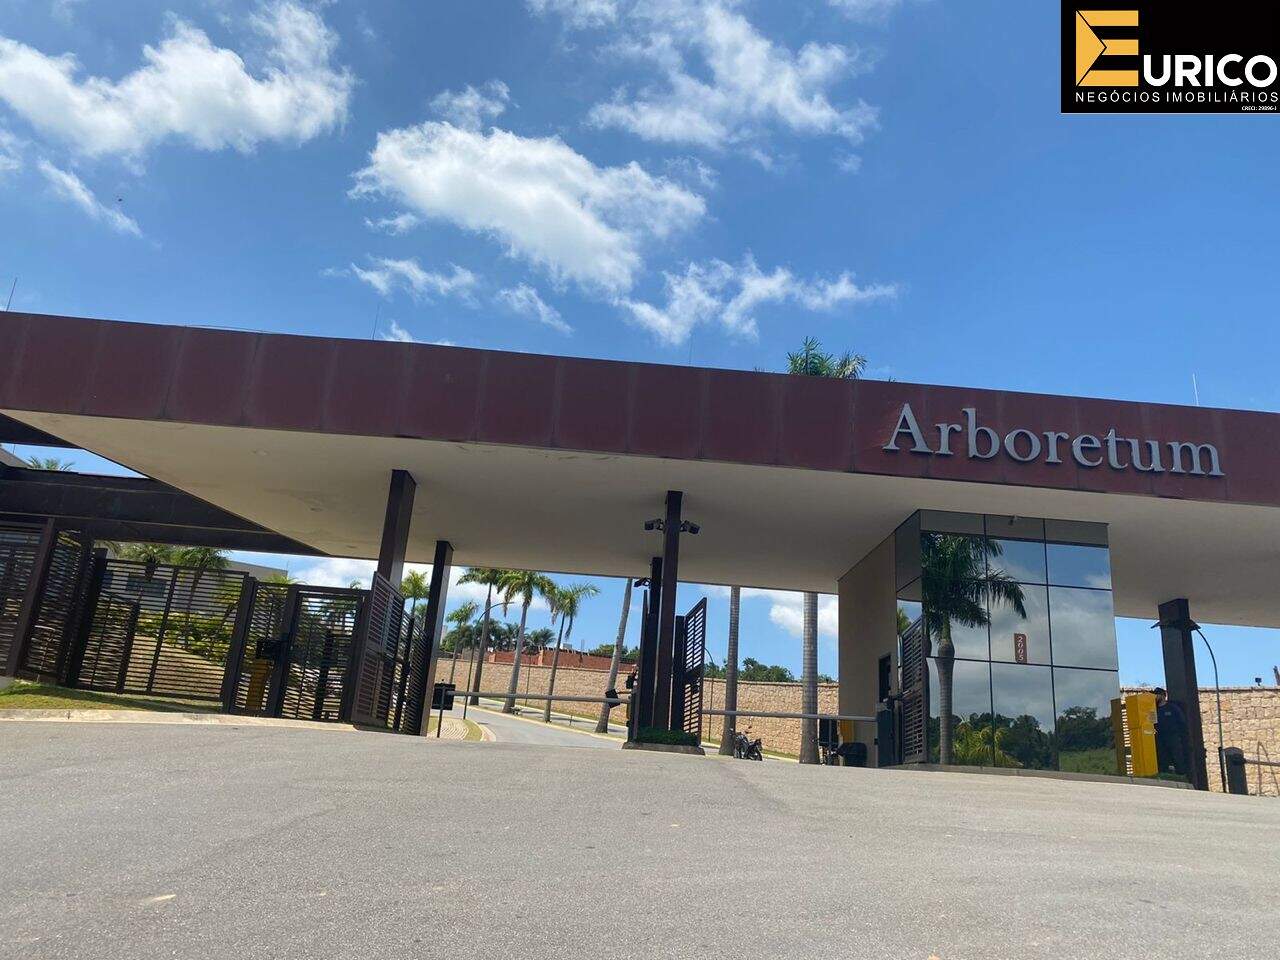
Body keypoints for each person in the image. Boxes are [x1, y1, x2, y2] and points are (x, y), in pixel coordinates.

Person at [1153, 687, 1189, 778]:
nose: (1155, 697)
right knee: (1162, 757)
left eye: (1157, 695)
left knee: (1177, 756)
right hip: (1160, 737)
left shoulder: (1172, 708)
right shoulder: (1154, 709)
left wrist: (1181, 735)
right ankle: (1165, 774)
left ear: (1163, 696)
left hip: (1173, 736)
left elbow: (1182, 722)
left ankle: (1182, 774)